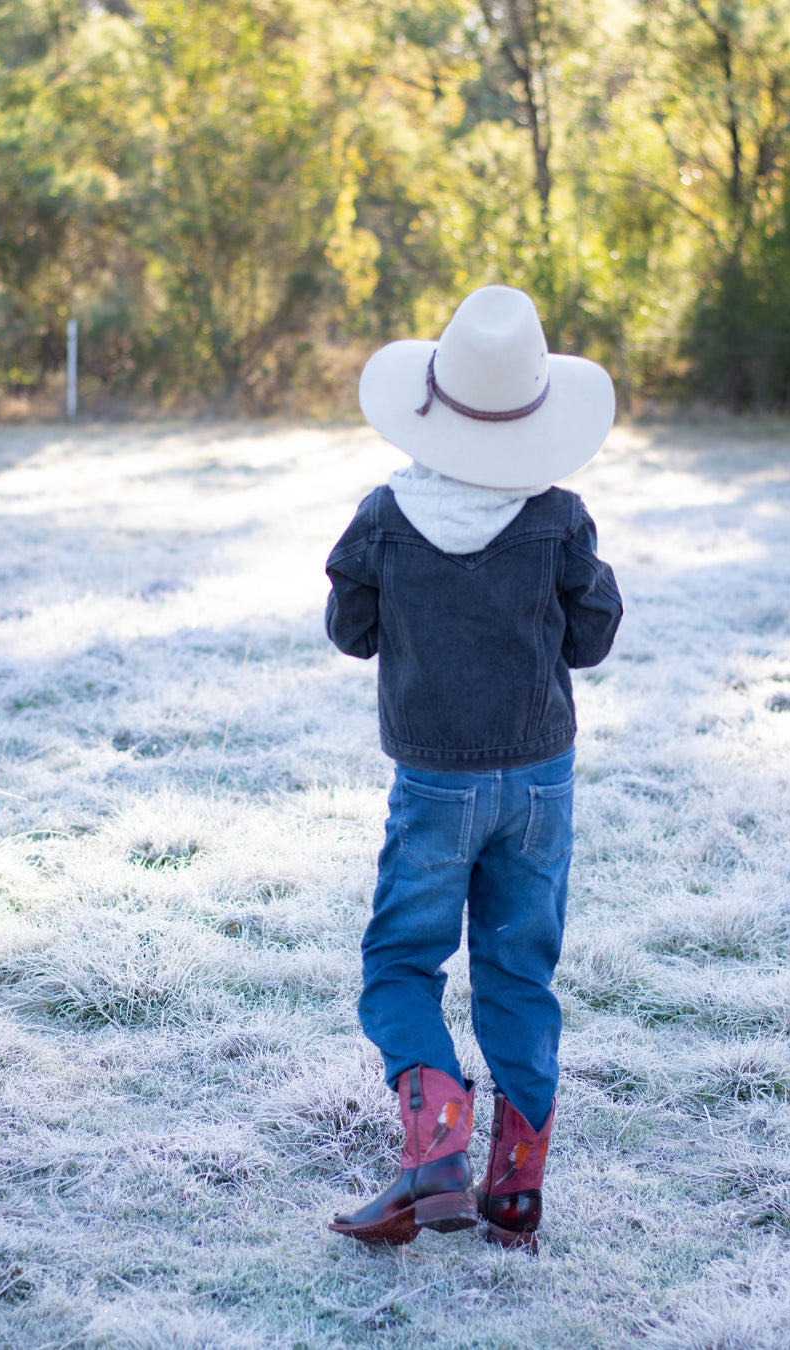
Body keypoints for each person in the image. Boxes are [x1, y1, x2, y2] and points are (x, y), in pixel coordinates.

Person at [324, 285, 622, 1251]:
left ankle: (437, 1143)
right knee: (518, 974)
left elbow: (351, 631)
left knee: (403, 961)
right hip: (540, 780)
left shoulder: (383, 516)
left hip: (435, 783)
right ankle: (515, 1188)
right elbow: (592, 637)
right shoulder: (560, 518)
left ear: (431, 403)